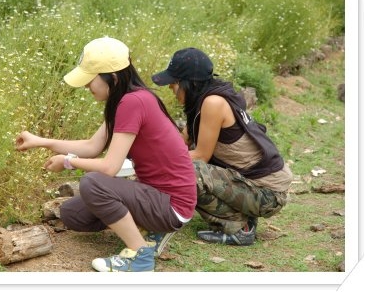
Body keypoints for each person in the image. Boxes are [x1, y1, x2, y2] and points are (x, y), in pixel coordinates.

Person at [15, 37, 196, 271]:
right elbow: (92, 146)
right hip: (156, 196)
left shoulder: (134, 102)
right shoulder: (126, 100)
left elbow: (110, 167)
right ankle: (147, 228)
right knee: (73, 214)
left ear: (113, 77)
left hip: (172, 206)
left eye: (90, 79)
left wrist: (68, 162)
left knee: (93, 183)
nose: (86, 86)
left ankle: (140, 255)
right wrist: (41, 142)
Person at [152, 47, 292, 246]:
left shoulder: (213, 103)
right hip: (254, 186)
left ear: (188, 83)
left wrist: (156, 163)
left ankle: (238, 227)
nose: (169, 88)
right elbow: (180, 143)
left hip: (268, 194)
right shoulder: (203, 100)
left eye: (173, 83)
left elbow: (200, 157)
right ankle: (242, 216)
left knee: (187, 170)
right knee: (175, 164)